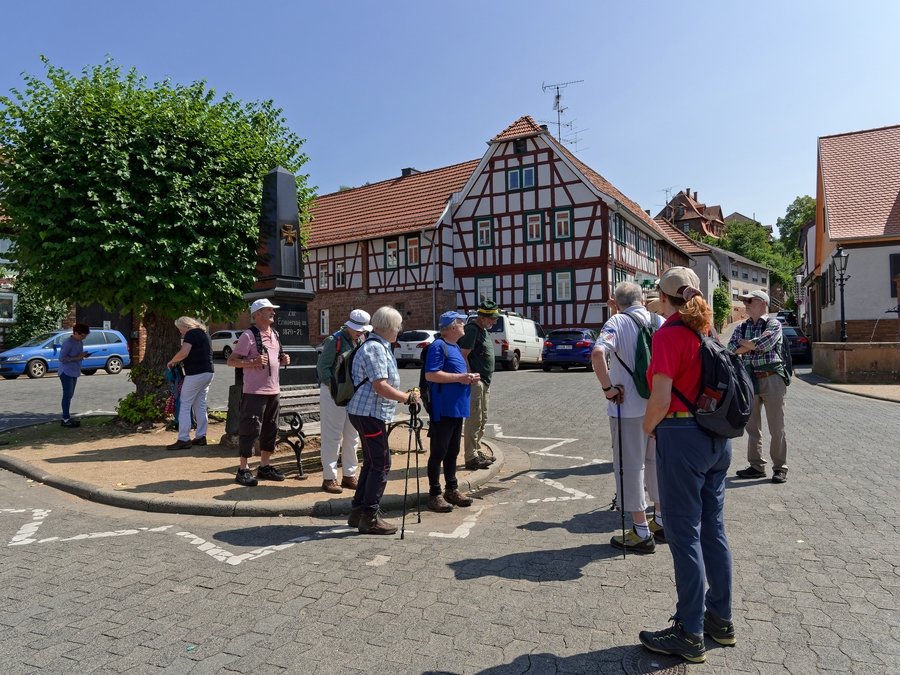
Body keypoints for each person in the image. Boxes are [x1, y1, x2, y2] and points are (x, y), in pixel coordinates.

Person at [638, 267, 734, 664]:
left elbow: (660, 399)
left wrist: (646, 429)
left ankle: (689, 632)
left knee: (683, 535)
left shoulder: (668, 334)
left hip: (682, 438)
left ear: (665, 298)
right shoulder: (705, 331)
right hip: (716, 439)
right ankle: (720, 620)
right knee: (713, 529)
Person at [592, 281, 665, 554]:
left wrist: (608, 389)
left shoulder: (616, 322)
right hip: (659, 406)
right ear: (643, 299)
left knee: (631, 466)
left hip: (627, 409)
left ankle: (640, 532)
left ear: (615, 302)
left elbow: (598, 352)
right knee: (656, 464)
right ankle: (660, 521)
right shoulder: (660, 320)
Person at [346, 306, 420, 535]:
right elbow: (380, 386)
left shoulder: (380, 346)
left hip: (369, 412)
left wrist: (403, 395)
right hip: (368, 413)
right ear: (389, 328)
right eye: (397, 326)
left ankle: (358, 512)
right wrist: (406, 397)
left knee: (373, 461)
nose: (399, 330)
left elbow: (381, 385)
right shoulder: (375, 349)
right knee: (381, 463)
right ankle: (368, 517)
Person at [226, 299, 291, 486]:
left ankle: (264, 466)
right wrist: (252, 363)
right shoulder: (248, 335)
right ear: (257, 314)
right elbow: (232, 361)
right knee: (250, 428)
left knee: (271, 428)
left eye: (273, 309)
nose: (273, 312)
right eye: (268, 310)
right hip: (254, 391)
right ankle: (243, 469)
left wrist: (282, 360)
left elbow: (272, 360)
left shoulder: (275, 334)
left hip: (274, 390)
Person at [728, 290, 789, 484]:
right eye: (745, 301)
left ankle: (780, 467)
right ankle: (756, 466)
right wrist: (751, 344)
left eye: (749, 301)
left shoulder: (773, 323)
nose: (745, 304)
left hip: (772, 379)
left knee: (776, 427)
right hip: (749, 379)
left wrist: (745, 344)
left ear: (762, 303)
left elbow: (765, 343)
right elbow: (730, 349)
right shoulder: (741, 326)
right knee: (752, 426)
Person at [425, 311, 480, 512]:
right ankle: (434, 494)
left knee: (452, 452)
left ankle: (451, 489)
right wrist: (460, 378)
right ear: (453, 326)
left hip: (457, 408)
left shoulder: (454, 346)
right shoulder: (438, 346)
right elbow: (431, 375)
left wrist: (469, 377)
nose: (465, 326)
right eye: (462, 323)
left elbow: (456, 374)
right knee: (439, 452)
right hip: (444, 408)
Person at [316, 309, 371, 493]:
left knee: (352, 435)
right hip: (334, 394)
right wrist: (333, 387)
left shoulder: (361, 340)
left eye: (363, 330)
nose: (361, 333)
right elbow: (323, 367)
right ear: (349, 325)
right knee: (332, 436)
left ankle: (349, 475)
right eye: (358, 330)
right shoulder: (334, 340)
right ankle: (329, 478)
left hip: (352, 394)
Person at [458, 300, 499, 471]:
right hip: (476, 382)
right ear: (482, 318)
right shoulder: (472, 330)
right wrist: (469, 377)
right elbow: (463, 355)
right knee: (474, 418)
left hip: (484, 382)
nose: (494, 322)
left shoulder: (481, 330)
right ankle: (471, 456)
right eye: (492, 319)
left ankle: (476, 450)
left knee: (482, 418)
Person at [166, 317, 215, 450]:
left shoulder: (191, 333)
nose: (181, 332)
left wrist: (172, 361)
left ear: (185, 326)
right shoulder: (204, 333)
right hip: (208, 371)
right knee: (200, 404)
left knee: (185, 403)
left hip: (195, 373)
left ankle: (183, 438)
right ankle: (201, 436)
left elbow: (184, 352)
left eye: (180, 329)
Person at [58, 323, 91, 428]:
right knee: (67, 395)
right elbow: (61, 358)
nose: (83, 338)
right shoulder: (68, 343)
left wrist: (83, 356)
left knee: (70, 394)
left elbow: (78, 354)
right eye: (82, 336)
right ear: (76, 333)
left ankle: (66, 418)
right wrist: (77, 357)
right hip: (66, 371)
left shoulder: (79, 342)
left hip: (74, 371)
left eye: (85, 336)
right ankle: (65, 419)